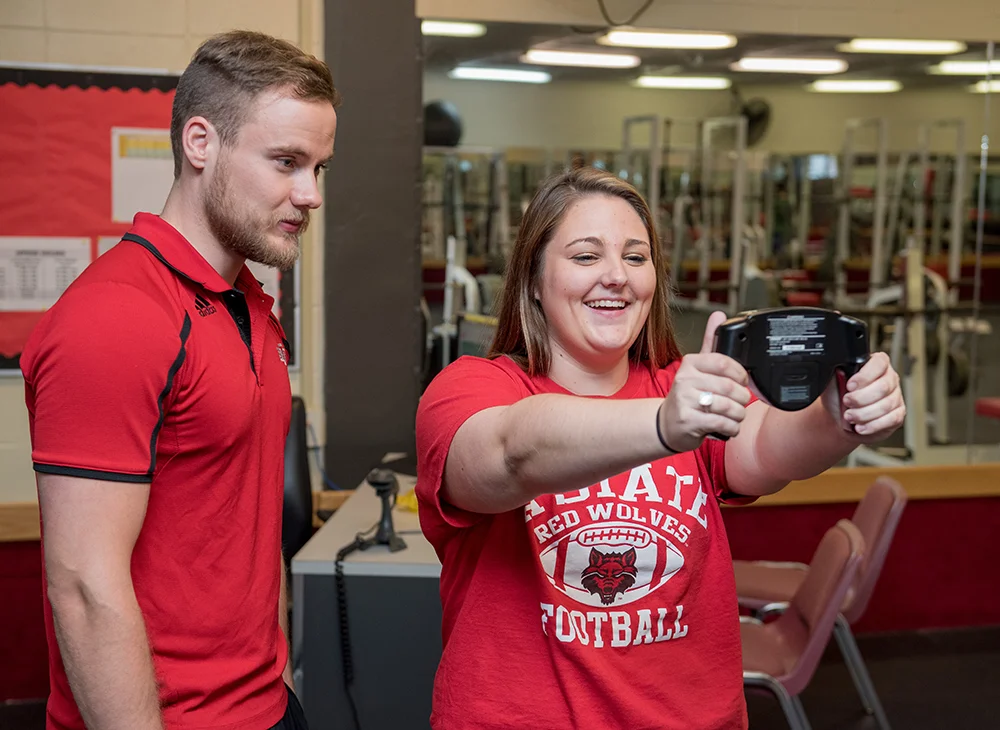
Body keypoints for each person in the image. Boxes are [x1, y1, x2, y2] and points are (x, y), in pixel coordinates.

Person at [414, 166, 904, 730]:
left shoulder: (684, 390)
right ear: (532, 280)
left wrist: (839, 418)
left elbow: (768, 448)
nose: (616, 276)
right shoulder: (472, 388)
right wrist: (666, 422)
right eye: (585, 256)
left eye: (636, 257)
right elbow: (510, 452)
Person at [21, 30, 339, 730]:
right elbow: (81, 585)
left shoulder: (252, 305)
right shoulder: (117, 317)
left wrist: (276, 683)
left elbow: (246, 527)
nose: (310, 193)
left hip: (265, 706)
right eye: (286, 161)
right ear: (201, 143)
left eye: (318, 166)